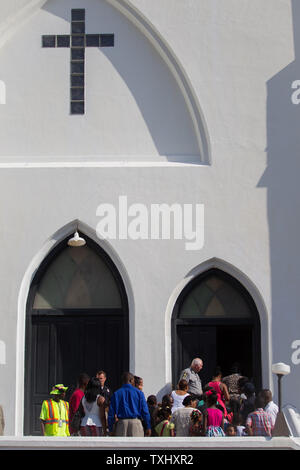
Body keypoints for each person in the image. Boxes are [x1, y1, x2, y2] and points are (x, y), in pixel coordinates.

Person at [108, 372, 151, 437]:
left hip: (121, 424)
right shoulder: (139, 393)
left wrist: (111, 429)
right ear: (131, 380)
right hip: (135, 423)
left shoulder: (116, 394)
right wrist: (148, 426)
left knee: (121, 446)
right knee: (136, 446)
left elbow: (111, 414)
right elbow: (145, 412)